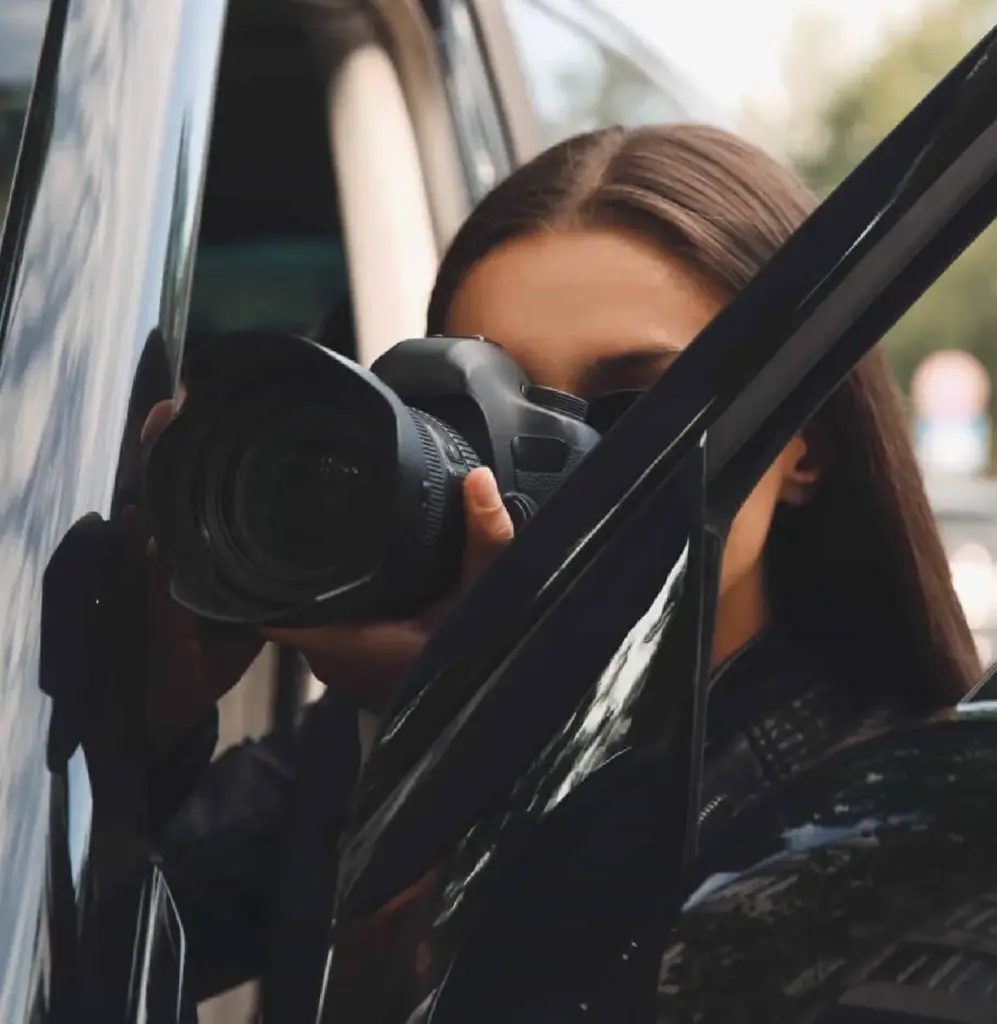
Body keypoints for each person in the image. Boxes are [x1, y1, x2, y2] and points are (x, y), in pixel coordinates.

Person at [137, 123, 981, 1017]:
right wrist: (143, 727)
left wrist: (478, 769)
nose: (547, 459)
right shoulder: (364, 738)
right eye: (482, 403)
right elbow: (76, 955)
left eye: (639, 406)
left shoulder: (893, 814)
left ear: (804, 443)